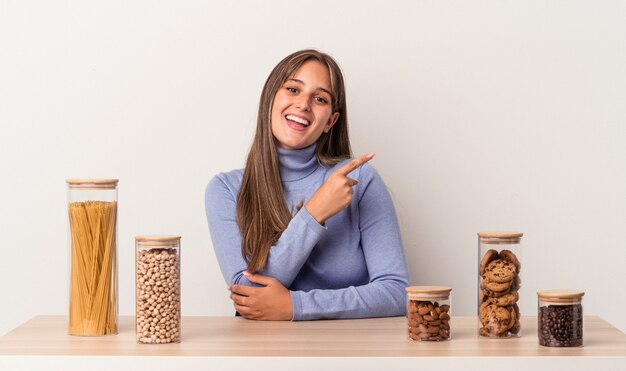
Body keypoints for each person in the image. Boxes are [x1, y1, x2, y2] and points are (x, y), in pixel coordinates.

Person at [205, 49, 409, 321]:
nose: (303, 104)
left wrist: (295, 306)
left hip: (352, 351)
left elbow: (396, 293)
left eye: (320, 98)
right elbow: (249, 296)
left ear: (330, 122)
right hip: (264, 354)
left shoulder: (358, 181)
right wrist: (313, 213)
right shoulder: (225, 189)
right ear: (270, 100)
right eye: (292, 89)